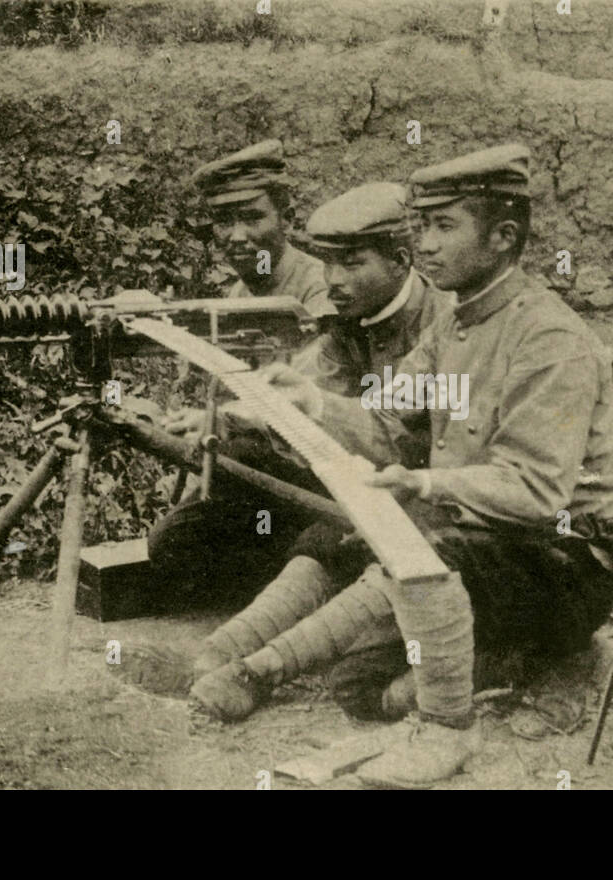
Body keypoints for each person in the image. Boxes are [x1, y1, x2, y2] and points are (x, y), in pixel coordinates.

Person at [187, 144, 613, 788]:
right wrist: (310, 400)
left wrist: (422, 482)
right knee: (360, 684)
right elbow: (386, 419)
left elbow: (536, 491)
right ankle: (507, 659)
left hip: (561, 565)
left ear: (504, 237)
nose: (423, 245)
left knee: (424, 544)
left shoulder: (549, 340)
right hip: (483, 546)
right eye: (422, 226)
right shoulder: (454, 321)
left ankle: (436, 725)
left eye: (443, 226)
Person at [120, 182, 454, 698]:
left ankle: (247, 667)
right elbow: (310, 382)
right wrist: (233, 418)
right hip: (369, 481)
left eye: (351, 264)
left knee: (345, 537)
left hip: (437, 495)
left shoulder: (441, 326)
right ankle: (219, 654)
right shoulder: (352, 321)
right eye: (328, 265)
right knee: (320, 532)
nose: (334, 281)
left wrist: (312, 409)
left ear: (401, 260)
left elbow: (405, 432)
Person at [194, 138, 335, 319]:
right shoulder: (244, 288)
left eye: (252, 218)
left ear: (286, 220)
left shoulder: (319, 289)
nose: (237, 237)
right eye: (224, 221)